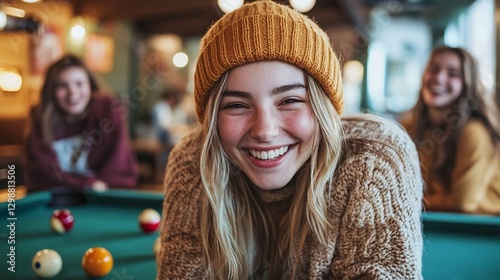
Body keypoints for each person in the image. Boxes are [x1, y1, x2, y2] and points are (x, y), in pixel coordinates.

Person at [156, 1, 423, 279]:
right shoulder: (193, 158)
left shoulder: (375, 156)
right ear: (212, 118)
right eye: (236, 105)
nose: (265, 131)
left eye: (290, 100)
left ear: (323, 107)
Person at [402, 46, 500, 215]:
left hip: (483, 229)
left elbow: (462, 202)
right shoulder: (410, 127)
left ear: (467, 85)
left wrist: (402, 201)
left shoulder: (474, 132)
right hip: (429, 221)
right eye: (433, 69)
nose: (438, 78)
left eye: (453, 74)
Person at [24, 54, 139, 192]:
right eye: (62, 85)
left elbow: (119, 165)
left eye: (79, 83)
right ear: (51, 91)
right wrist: (87, 184)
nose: (72, 92)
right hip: (56, 201)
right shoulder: (41, 119)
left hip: (104, 200)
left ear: (90, 86)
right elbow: (41, 173)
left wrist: (96, 187)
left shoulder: (107, 109)